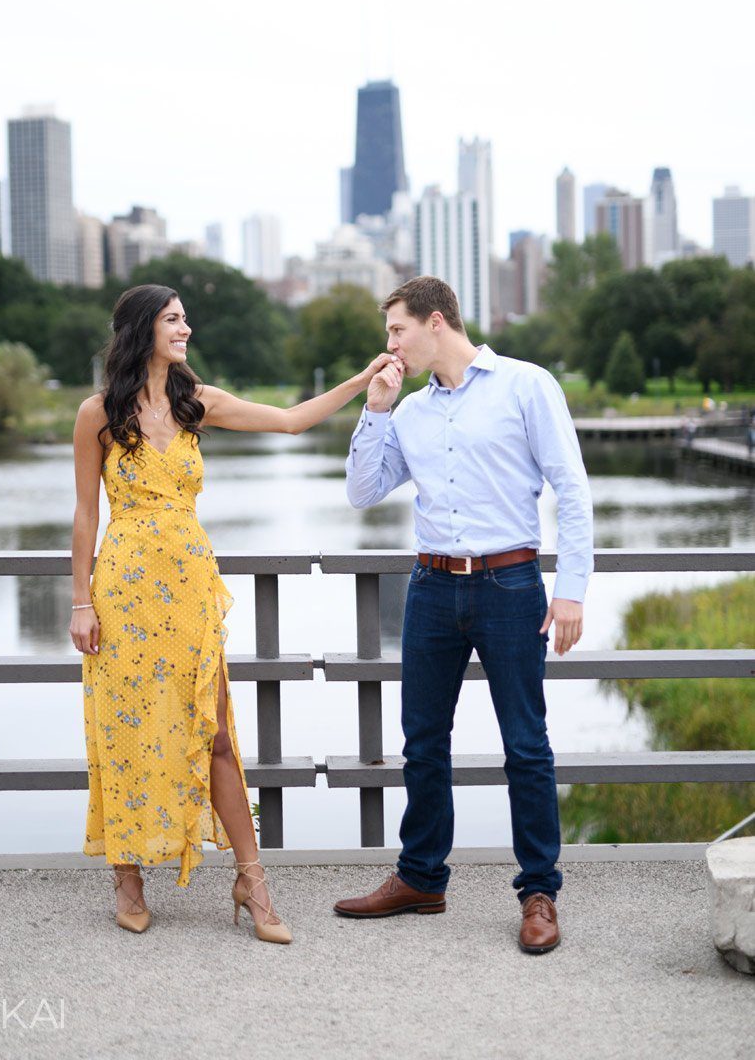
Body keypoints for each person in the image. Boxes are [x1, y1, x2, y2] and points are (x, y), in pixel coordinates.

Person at [70, 283, 391, 941]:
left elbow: (292, 419)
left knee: (213, 733)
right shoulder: (97, 413)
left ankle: (252, 881)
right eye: (172, 319)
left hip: (189, 589)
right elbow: (84, 512)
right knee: (123, 728)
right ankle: (126, 878)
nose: (185, 329)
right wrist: (79, 601)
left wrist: (362, 378)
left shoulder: (198, 404)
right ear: (140, 330)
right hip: (124, 591)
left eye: (186, 319)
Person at [333, 276, 594, 954]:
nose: (388, 344)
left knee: (525, 746)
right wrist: (377, 409)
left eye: (396, 330)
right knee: (422, 742)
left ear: (436, 321)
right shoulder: (411, 412)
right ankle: (420, 877)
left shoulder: (524, 385)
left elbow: (570, 489)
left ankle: (539, 892)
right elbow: (362, 492)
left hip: (510, 586)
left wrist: (570, 589)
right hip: (430, 588)